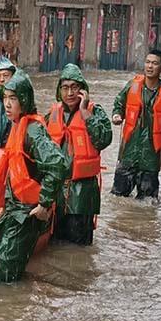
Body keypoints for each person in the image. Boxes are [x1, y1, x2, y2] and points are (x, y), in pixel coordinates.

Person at [0, 72, 68, 283]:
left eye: (13, 99)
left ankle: (12, 310)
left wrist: (44, 204)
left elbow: (58, 164)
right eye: (5, 98)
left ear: (24, 100)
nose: (7, 104)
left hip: (28, 212)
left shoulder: (33, 131)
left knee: (5, 267)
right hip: (15, 208)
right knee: (0, 261)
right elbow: (15, 173)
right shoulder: (18, 126)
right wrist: (4, 207)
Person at [47, 64, 112, 245]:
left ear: (83, 90)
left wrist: (84, 113)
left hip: (82, 195)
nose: (70, 93)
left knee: (79, 249)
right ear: (59, 90)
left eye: (74, 87)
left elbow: (104, 139)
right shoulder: (52, 114)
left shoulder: (94, 112)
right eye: (65, 88)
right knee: (56, 246)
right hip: (57, 194)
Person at [110, 49, 161, 199]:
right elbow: (119, 104)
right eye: (148, 62)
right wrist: (117, 115)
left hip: (151, 156)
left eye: (154, 63)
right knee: (117, 197)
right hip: (128, 152)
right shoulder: (132, 86)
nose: (150, 66)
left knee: (147, 204)